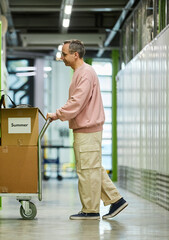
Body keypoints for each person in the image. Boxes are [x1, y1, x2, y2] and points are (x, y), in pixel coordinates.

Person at [47, 39, 128, 220]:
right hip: (87, 129)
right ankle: (116, 200)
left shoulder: (85, 73)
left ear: (76, 55)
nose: (62, 58)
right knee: (92, 168)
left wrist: (57, 114)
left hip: (88, 130)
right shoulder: (81, 72)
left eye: (65, 54)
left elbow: (77, 101)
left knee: (87, 171)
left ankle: (90, 210)